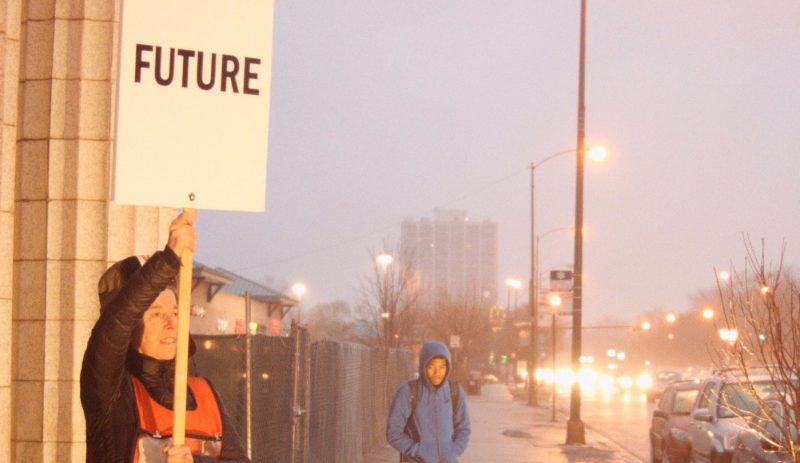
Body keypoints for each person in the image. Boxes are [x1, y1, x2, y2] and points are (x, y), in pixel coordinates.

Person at [80, 210, 250, 463]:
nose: (172, 323)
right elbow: (112, 329)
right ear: (130, 329)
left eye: (175, 311)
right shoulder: (111, 394)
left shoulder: (204, 393)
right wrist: (169, 258)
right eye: (156, 314)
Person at [387, 341, 471, 463]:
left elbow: (464, 428)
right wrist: (417, 450)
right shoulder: (408, 391)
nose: (437, 373)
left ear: (448, 367)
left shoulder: (455, 391)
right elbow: (393, 432)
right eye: (432, 367)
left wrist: (453, 451)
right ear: (423, 366)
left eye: (442, 367)